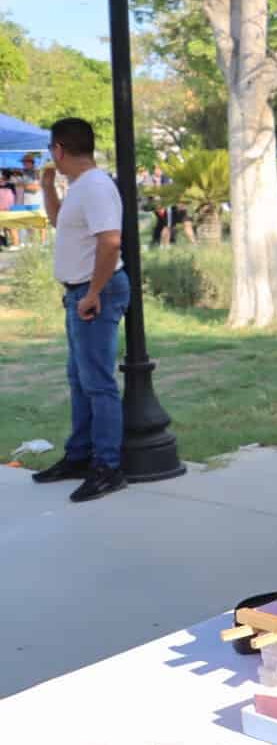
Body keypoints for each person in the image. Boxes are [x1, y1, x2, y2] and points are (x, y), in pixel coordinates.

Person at [30, 118, 131, 503]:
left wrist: (92, 292)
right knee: (79, 379)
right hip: (81, 294)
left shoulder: (96, 187)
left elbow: (110, 243)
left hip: (95, 294)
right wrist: (46, 187)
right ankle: (78, 457)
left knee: (98, 383)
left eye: (50, 150)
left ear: (58, 149)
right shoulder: (79, 187)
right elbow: (59, 222)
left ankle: (108, 468)